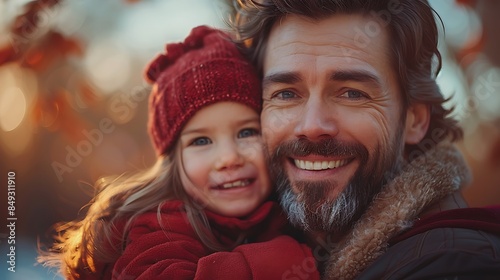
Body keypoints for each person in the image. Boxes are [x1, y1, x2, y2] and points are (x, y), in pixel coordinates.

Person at [230, 0, 500, 279]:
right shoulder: (236, 238)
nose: (311, 126)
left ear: (415, 119)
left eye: (352, 93)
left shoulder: (455, 265)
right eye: (286, 94)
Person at [39, 25, 320, 280]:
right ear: (174, 161)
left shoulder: (288, 211)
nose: (229, 158)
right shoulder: (159, 223)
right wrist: (280, 260)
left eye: (247, 133)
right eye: (200, 141)